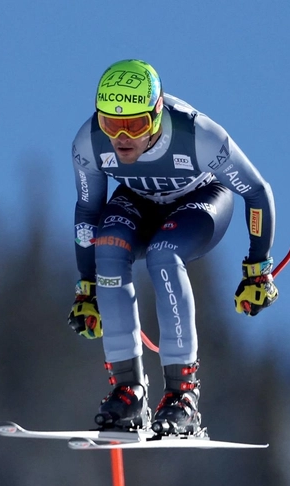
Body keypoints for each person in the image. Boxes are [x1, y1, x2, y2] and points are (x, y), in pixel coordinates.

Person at [68, 59, 278, 435]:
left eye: (136, 124)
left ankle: (184, 397)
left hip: (201, 201)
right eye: (111, 124)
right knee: (108, 245)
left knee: (164, 255)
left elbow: (257, 192)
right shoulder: (89, 143)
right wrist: (88, 288)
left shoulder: (198, 135)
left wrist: (258, 270)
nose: (122, 137)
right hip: (139, 200)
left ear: (158, 112)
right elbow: (88, 211)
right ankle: (127, 390)